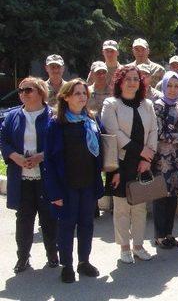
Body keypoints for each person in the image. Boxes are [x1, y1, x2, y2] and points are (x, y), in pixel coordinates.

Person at [44, 79, 104, 283]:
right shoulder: (56, 123)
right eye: (77, 93)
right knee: (67, 226)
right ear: (66, 97)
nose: (82, 97)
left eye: (84, 93)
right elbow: (50, 162)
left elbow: (100, 152)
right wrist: (54, 193)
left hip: (88, 184)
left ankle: (83, 262)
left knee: (87, 224)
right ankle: (67, 265)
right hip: (66, 186)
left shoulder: (92, 120)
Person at [101, 65, 158, 263]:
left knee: (140, 207)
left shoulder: (147, 104)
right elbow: (114, 132)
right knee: (122, 207)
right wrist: (140, 151)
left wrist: (146, 158)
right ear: (120, 81)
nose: (133, 82)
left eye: (136, 79)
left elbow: (153, 131)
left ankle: (139, 246)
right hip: (120, 163)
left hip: (142, 163)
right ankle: (124, 247)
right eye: (129, 79)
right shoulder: (111, 104)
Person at [1, 77, 57, 273]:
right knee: (24, 219)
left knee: (49, 217)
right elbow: (4, 141)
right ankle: (23, 257)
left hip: (46, 176)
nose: (23, 93)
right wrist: (14, 156)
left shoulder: (53, 116)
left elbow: (59, 144)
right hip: (21, 176)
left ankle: (53, 254)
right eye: (20, 90)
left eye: (28, 90)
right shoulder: (12, 116)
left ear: (41, 92)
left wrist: (41, 156)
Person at [152, 71, 178, 249]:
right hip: (162, 160)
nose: (173, 89)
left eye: (177, 86)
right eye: (169, 85)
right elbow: (159, 133)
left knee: (173, 197)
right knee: (161, 197)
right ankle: (159, 236)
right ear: (164, 86)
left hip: (176, 160)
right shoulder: (158, 106)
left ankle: (169, 233)